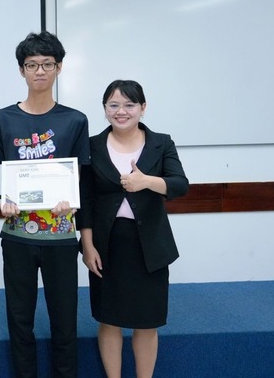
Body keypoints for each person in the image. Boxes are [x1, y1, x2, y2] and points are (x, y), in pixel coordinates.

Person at [0, 31, 90, 378]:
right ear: (22, 70)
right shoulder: (2, 119)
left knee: (64, 322)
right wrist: (5, 202)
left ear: (59, 68)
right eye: (32, 65)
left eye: (47, 64)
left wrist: (71, 201)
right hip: (17, 235)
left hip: (61, 235)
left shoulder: (75, 120)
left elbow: (79, 177)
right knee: (20, 321)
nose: (40, 71)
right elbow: (1, 175)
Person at [79, 80, 188, 378]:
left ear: (143, 107)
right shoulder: (91, 146)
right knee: (109, 319)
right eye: (113, 105)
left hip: (150, 245)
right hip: (107, 245)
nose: (121, 111)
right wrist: (87, 246)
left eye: (129, 105)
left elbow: (180, 185)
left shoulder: (161, 142)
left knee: (147, 322)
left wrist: (147, 181)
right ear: (104, 109)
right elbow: (85, 200)